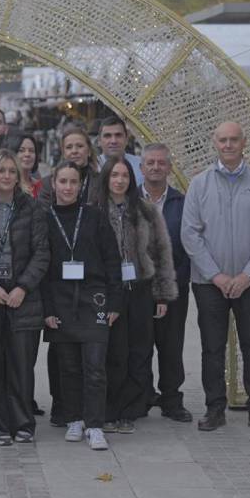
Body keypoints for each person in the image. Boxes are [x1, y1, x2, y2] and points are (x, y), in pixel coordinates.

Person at [182, 121, 250, 434]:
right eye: (223, 140)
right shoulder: (199, 184)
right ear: (215, 142)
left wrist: (249, 275)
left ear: (244, 142)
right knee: (212, 347)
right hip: (209, 283)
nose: (228, 145)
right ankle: (215, 408)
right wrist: (217, 276)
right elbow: (190, 234)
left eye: (234, 140)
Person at [42, 162, 122, 451]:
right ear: (54, 184)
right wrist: (47, 309)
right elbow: (42, 267)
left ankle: (95, 424)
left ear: (81, 185)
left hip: (94, 298)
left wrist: (115, 301)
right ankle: (74, 419)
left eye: (73, 182)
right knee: (68, 367)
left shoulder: (95, 217)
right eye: (62, 181)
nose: (67, 187)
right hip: (61, 299)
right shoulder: (45, 218)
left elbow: (112, 259)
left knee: (95, 366)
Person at [98, 156, 178, 434]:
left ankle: (131, 409)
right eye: (114, 175)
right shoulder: (95, 210)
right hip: (110, 290)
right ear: (106, 178)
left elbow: (161, 252)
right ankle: (110, 408)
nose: (119, 180)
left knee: (140, 351)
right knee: (114, 352)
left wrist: (162, 295)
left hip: (141, 289)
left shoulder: (146, 210)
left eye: (124, 176)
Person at [0, 150, 50, 444]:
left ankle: (22, 423)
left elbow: (42, 252)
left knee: (21, 364)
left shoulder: (32, 207)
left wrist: (23, 288)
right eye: (1, 170)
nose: (6, 176)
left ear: (18, 176)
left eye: (11, 171)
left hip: (23, 296)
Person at [38, 124, 98, 425]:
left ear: (88, 150)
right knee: (62, 353)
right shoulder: (50, 186)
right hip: (59, 279)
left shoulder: (99, 181)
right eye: (69, 147)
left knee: (92, 354)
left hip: (90, 279)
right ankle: (63, 406)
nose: (75, 151)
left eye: (79, 146)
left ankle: (92, 410)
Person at [140, 143, 193, 423]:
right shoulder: (130, 201)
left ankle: (172, 400)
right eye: (150, 162)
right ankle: (142, 398)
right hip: (138, 290)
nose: (155, 167)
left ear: (169, 168)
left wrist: (172, 283)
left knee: (171, 347)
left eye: (161, 163)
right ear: (141, 167)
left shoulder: (182, 203)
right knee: (140, 347)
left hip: (173, 289)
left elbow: (188, 247)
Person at [96, 116, 143, 183]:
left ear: (126, 139)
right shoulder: (92, 167)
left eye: (118, 135)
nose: (113, 141)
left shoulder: (141, 165)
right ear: (99, 141)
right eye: (108, 136)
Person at [9, 132, 44, 198]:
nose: (27, 154)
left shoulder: (41, 187)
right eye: (21, 150)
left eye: (31, 151)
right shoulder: (7, 185)